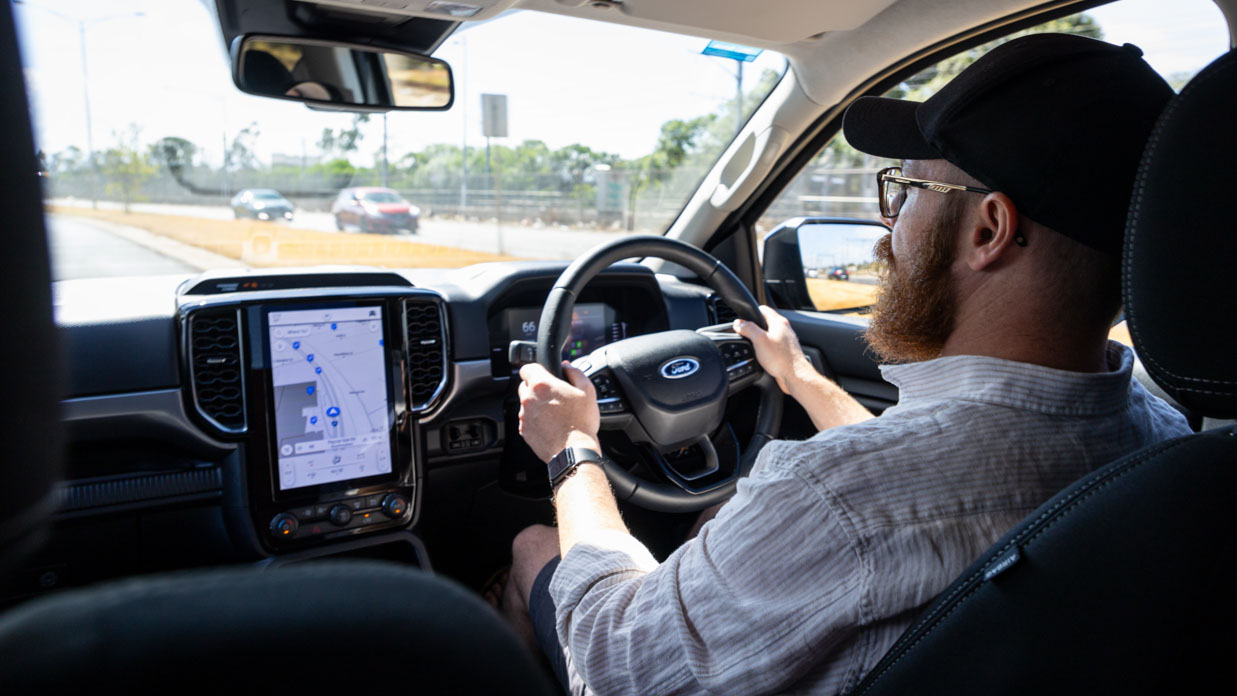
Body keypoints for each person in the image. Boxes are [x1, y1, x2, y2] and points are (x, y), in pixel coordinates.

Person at [504, 34, 1192, 695]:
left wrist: (572, 449)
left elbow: (615, 664)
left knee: (537, 547)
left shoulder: (835, 498)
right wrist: (799, 377)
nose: (889, 229)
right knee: (705, 527)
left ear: (987, 230)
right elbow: (921, 478)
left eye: (909, 192)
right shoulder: (1167, 441)